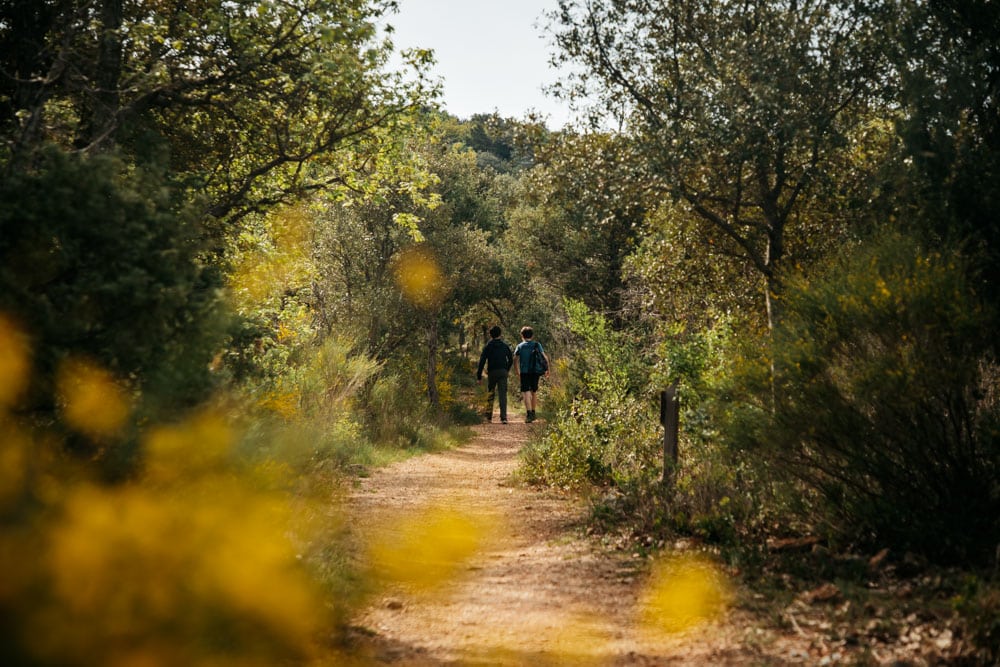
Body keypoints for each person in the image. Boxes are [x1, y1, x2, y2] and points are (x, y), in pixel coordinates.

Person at [476, 325, 513, 424]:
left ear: (490, 335)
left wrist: (479, 376)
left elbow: (482, 361)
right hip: (503, 371)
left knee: (491, 393)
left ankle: (488, 417)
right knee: (502, 394)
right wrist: (507, 369)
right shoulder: (505, 346)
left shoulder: (488, 346)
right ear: (500, 334)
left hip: (492, 372)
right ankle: (504, 418)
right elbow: (511, 359)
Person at [513, 326, 550, 423]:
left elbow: (515, 360)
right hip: (535, 372)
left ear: (522, 335)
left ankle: (529, 414)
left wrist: (517, 372)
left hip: (524, 372)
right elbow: (545, 357)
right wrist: (547, 369)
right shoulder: (537, 344)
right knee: (534, 391)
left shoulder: (520, 346)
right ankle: (533, 412)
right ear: (532, 335)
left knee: (526, 392)